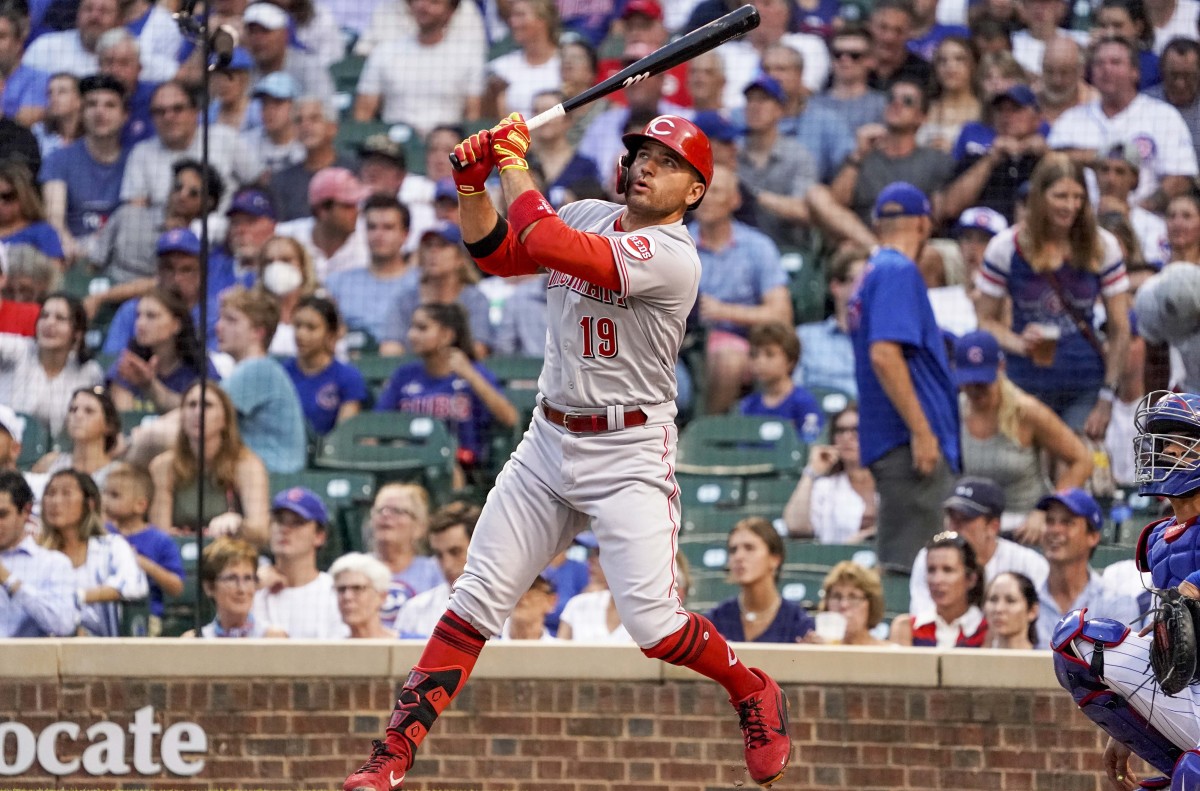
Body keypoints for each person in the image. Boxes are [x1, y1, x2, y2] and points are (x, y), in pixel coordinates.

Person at [344, 114, 793, 791]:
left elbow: (545, 237)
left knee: (656, 626)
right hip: (549, 440)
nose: (645, 164)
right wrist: (472, 187)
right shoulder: (590, 211)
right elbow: (500, 252)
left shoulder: (674, 256)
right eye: (641, 151)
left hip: (628, 450)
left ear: (695, 191)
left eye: (666, 161)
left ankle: (751, 687)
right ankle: (390, 756)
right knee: (475, 599)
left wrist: (510, 160)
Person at [1053, 391, 1200, 789]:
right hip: (1188, 684)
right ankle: (1168, 758)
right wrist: (1125, 733)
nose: (1165, 450)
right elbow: (1167, 633)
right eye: (1162, 439)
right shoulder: (1158, 539)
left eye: (1180, 440)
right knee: (1078, 643)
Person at [975, 153, 1132, 437]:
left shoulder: (1102, 246)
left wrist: (1107, 398)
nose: (1070, 206)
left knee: (1073, 468)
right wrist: (1019, 342)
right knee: (1027, 474)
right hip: (1025, 383)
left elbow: (1120, 328)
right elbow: (985, 320)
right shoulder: (1005, 248)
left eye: (1077, 197)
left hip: (1084, 382)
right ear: (1039, 197)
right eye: (1060, 196)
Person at [848, 182, 959, 574]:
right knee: (916, 574)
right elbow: (884, 355)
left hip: (892, 441)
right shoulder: (897, 270)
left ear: (878, 225)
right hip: (908, 445)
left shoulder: (871, 272)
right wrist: (922, 430)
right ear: (923, 224)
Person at [955, 330, 1093, 540]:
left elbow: (1082, 460)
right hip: (973, 530)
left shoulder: (1026, 411)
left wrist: (1047, 510)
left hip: (1024, 529)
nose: (975, 390)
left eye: (982, 382)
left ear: (1000, 368)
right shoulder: (954, 411)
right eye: (968, 382)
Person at [1048, 37, 1197, 212]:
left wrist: (1134, 210)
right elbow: (1050, 165)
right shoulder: (1071, 119)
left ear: (1135, 71)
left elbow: (1180, 179)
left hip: (1146, 225)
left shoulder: (1163, 116)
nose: (1106, 69)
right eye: (1099, 63)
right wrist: (1095, 157)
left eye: (1115, 62)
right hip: (1080, 223)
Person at [689, 163, 792, 415]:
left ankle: (705, 434)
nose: (706, 200)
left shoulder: (757, 246)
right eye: (701, 192)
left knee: (729, 357)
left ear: (735, 200)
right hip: (682, 344)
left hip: (744, 342)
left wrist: (722, 311)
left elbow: (781, 315)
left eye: (716, 192)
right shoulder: (677, 242)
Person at [376, 303, 517, 472]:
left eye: (422, 328)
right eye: (412, 327)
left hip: (461, 466)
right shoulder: (404, 375)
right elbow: (379, 422)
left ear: (446, 335)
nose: (411, 335)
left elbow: (510, 418)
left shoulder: (475, 373)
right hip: (408, 461)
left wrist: (471, 376)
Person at [908, 475, 1050, 615]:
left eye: (965, 519)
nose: (954, 526)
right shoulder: (929, 557)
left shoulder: (1029, 564)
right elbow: (922, 617)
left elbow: (1041, 620)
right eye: (951, 517)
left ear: (993, 527)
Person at [148, 382, 270, 545]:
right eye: (191, 405)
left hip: (229, 555)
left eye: (207, 405)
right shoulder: (163, 466)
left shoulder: (247, 465)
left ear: (225, 419)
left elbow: (261, 532)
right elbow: (160, 535)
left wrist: (239, 524)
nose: (198, 412)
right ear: (181, 416)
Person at [40, 469, 148, 636]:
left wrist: (79, 597)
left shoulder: (112, 546)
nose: (55, 501)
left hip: (104, 652)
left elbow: (133, 584)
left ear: (89, 503)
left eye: (66, 493)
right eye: (50, 493)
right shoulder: (37, 552)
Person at [352, 0, 484, 136]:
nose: (423, 6)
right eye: (419, 0)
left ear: (450, 12)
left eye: (434, 3)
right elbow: (363, 113)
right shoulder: (384, 52)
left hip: (446, 146)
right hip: (395, 144)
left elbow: (473, 114)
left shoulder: (468, 57)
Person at [214, 286, 307, 473]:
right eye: (221, 318)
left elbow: (203, 412)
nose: (218, 327)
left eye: (231, 319)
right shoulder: (256, 368)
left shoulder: (259, 368)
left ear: (258, 332)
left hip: (275, 478)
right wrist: (150, 386)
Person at [1035, 487, 1141, 647]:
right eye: (1050, 521)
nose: (1055, 530)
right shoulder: (1024, 600)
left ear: (1092, 537)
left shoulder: (1117, 603)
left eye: (1067, 522)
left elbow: (1122, 668)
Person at [39, 73, 129, 259]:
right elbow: (54, 219)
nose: (99, 112)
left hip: (122, 252)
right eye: (91, 104)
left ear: (124, 115)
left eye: (110, 105)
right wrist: (70, 246)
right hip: (72, 251)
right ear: (81, 112)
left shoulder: (135, 159)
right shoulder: (59, 159)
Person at [379, 223, 494, 358]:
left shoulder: (474, 299)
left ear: (460, 258)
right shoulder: (405, 299)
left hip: (462, 375)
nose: (433, 252)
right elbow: (390, 349)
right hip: (414, 375)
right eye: (428, 246)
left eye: (442, 246)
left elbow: (478, 350)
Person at [0, 293, 104, 439]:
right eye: (44, 316)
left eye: (60, 318)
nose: (49, 323)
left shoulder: (89, 372)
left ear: (78, 333)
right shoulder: (18, 349)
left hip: (57, 456)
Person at [252, 487, 347, 639]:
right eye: (279, 520)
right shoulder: (253, 588)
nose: (284, 529)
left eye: (297, 523)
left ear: (319, 536)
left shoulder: (334, 591)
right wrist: (253, 585)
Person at [101, 462, 184, 635]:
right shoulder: (102, 534)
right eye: (105, 493)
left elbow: (176, 587)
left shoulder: (160, 540)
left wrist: (143, 564)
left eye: (114, 495)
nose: (105, 501)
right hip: (104, 613)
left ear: (140, 505)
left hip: (147, 616)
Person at [709, 517, 815, 644]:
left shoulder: (799, 624)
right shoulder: (715, 621)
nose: (738, 556)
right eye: (733, 550)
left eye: (749, 548)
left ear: (775, 559)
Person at [325, 195, 415, 346]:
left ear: (405, 235)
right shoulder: (337, 283)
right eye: (372, 227)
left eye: (388, 227)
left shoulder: (421, 282)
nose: (378, 235)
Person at [783, 403, 877, 543]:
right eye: (840, 430)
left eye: (856, 429)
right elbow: (796, 527)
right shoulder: (825, 487)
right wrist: (811, 471)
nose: (846, 437)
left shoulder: (891, 481)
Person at [109, 288, 214, 413]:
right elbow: (124, 416)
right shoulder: (129, 363)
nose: (140, 324)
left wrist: (150, 385)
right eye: (138, 315)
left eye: (151, 316)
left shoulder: (199, 367)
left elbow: (200, 411)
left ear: (176, 325)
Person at [0, 470, 76, 637]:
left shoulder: (53, 563)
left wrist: (9, 580)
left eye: (2, 515)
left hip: (25, 661)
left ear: (26, 512)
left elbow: (63, 624)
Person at [283, 295, 368, 436]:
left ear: (330, 335)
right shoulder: (281, 373)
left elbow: (343, 436)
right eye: (297, 326)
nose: (300, 334)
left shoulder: (348, 377)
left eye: (311, 328)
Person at [395, 501, 481, 639]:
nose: (446, 565)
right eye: (439, 555)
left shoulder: (512, 607)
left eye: (455, 552)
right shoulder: (414, 610)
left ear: (479, 549)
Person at [367, 482, 445, 631]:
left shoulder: (436, 570)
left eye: (397, 511)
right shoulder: (355, 569)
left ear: (419, 527)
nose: (386, 515)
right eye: (380, 510)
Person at [890, 530, 988, 647]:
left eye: (948, 570)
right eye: (931, 570)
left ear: (971, 579)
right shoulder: (906, 627)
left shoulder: (987, 631)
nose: (937, 580)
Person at [274, 167, 370, 280]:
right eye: (347, 206)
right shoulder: (286, 236)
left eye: (356, 205)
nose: (356, 211)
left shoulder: (370, 239)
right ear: (322, 210)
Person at [794, 247, 863, 398]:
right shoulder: (805, 336)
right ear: (836, 287)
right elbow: (794, 393)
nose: (864, 288)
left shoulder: (881, 340)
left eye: (869, 281)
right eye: (857, 281)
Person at [738, 322, 822, 439]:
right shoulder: (747, 405)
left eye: (769, 354)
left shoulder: (804, 402)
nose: (760, 362)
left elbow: (809, 443)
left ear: (790, 361)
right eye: (754, 355)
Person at [484, 0, 560, 119]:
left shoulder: (565, 63)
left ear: (542, 20)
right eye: (512, 16)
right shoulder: (501, 67)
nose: (513, 22)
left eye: (520, 15)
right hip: (516, 135)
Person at [32, 387, 122, 487]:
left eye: (89, 411)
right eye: (73, 410)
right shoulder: (49, 463)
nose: (78, 415)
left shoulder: (118, 473)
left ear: (109, 425)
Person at [189, 537, 275, 638]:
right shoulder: (195, 640)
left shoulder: (273, 638)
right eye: (231, 579)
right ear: (209, 587)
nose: (242, 589)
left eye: (248, 578)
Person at [556, 534, 633, 642]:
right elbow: (558, 655)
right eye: (592, 554)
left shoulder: (652, 610)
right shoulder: (578, 604)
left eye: (600, 553)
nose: (591, 561)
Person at [251, 234, 319, 356]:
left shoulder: (319, 306)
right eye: (269, 262)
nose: (277, 267)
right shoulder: (252, 312)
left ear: (302, 266)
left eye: (286, 260)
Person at [918, 37, 982, 154]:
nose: (950, 66)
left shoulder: (985, 112)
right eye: (942, 60)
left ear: (973, 65)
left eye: (959, 59)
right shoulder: (921, 108)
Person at [808, 561, 890, 647]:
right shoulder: (817, 651)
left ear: (871, 604)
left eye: (853, 597)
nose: (843, 605)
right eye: (836, 596)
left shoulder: (892, 653)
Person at [0, 160, 64, 266]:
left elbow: (54, 273)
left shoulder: (42, 233)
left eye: (7, 196)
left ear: (23, 195)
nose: (1, 203)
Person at [331, 552, 396, 639]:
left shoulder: (413, 645)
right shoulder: (332, 650)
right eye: (341, 589)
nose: (347, 597)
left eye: (357, 588)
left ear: (381, 596)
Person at [982, 571, 1038, 649]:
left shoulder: (1050, 660)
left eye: (1010, 600)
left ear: (1032, 611)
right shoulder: (969, 658)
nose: (998, 609)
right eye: (993, 599)